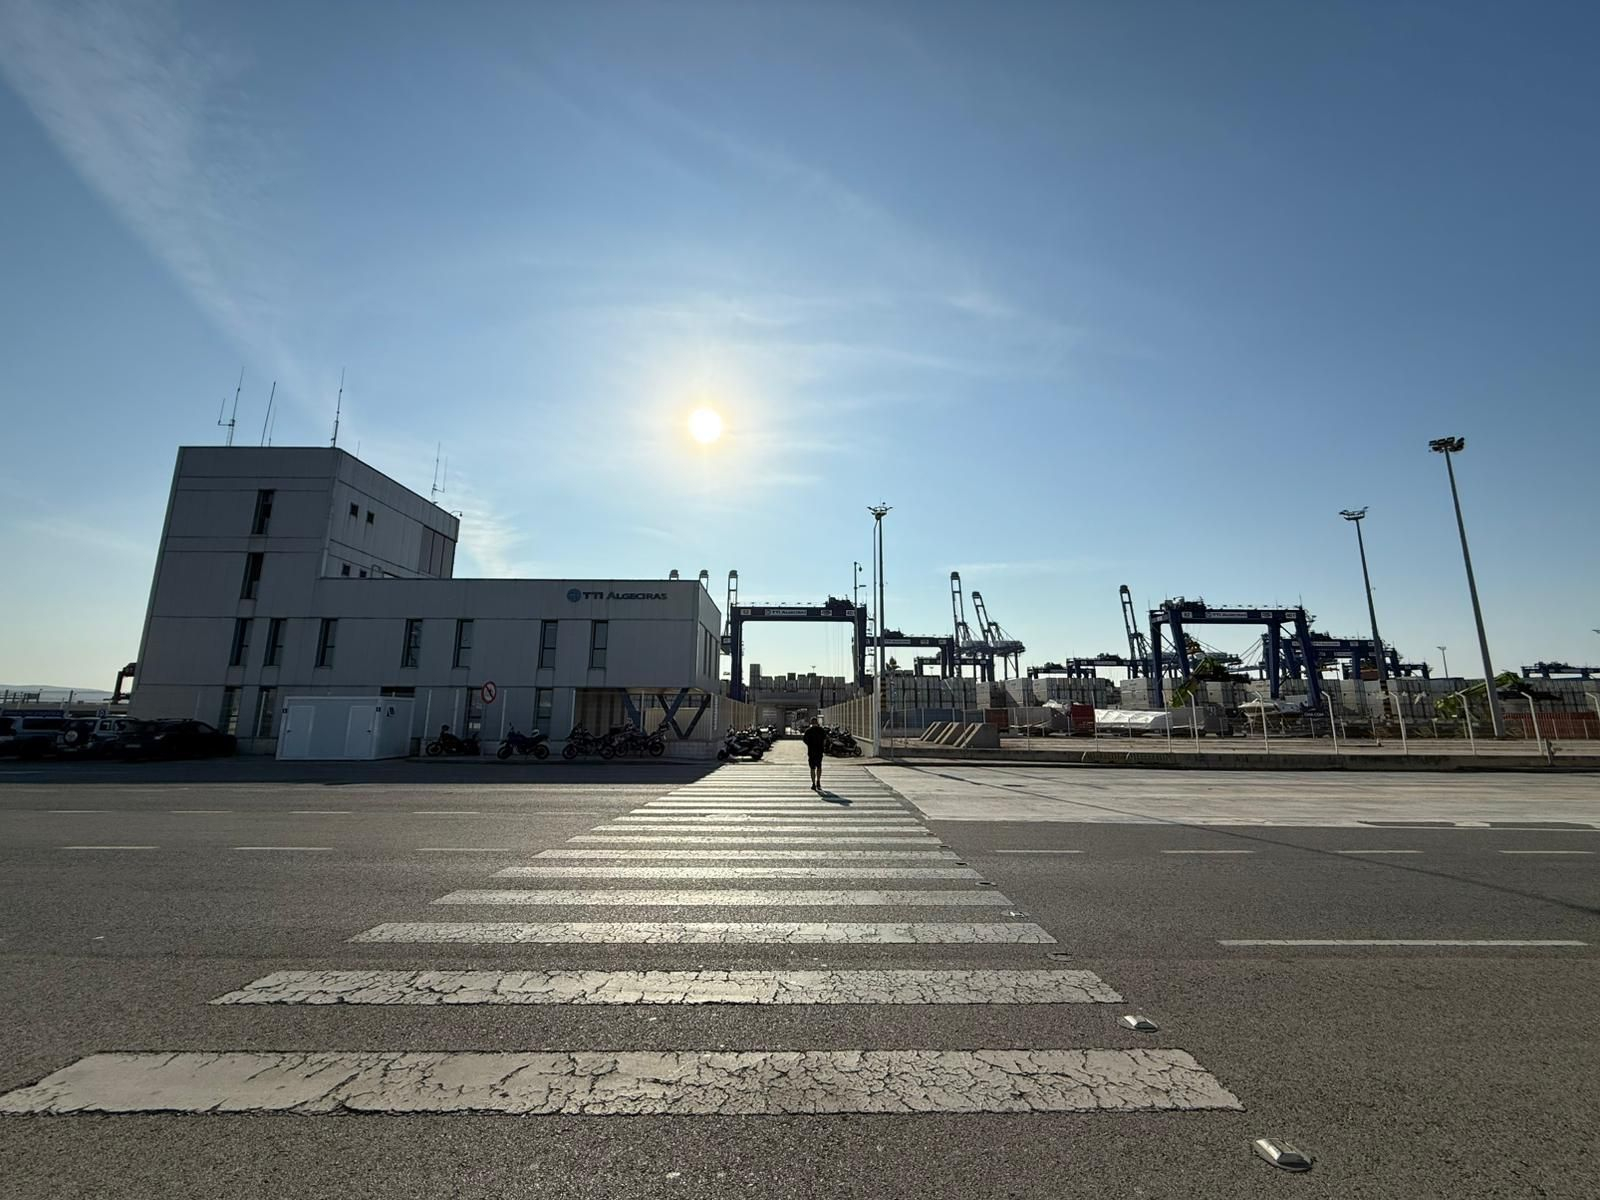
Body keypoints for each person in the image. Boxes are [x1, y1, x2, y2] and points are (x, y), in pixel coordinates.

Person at [802, 718, 828, 792]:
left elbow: (804, 740)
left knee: (812, 768)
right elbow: (825, 740)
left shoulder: (808, 731)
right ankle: (818, 781)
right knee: (819, 767)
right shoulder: (821, 730)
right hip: (819, 751)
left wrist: (809, 745)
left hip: (811, 752)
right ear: (817, 722)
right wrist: (823, 746)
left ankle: (813, 783)